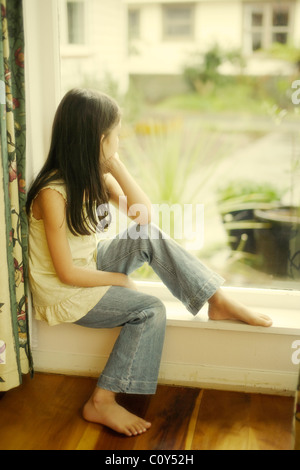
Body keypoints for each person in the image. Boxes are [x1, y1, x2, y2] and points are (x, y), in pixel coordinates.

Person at [26, 88, 273, 437]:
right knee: (150, 309)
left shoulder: (94, 177)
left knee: (147, 234)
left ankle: (215, 299)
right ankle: (100, 401)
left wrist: (115, 165)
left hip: (90, 266)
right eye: (116, 134)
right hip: (66, 291)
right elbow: (65, 273)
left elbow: (143, 216)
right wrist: (118, 279)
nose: (120, 139)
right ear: (99, 140)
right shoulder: (52, 194)